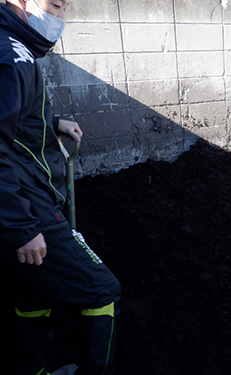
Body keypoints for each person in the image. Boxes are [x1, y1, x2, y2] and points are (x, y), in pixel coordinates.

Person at [0, 1, 121, 374]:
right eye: (55, 5)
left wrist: (51, 122)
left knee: (32, 290)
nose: (60, 17)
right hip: (28, 204)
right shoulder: (12, 57)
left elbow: (13, 117)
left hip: (19, 200)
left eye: (65, 7)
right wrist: (22, 227)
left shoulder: (11, 47)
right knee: (102, 288)